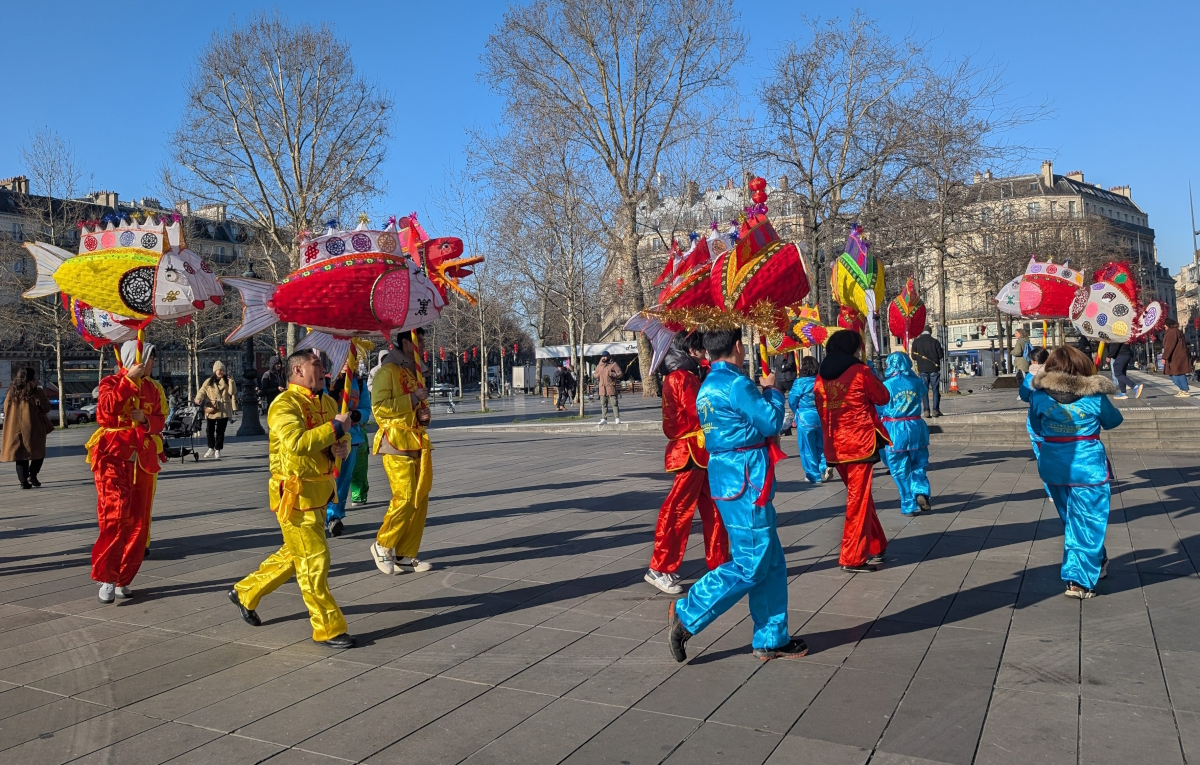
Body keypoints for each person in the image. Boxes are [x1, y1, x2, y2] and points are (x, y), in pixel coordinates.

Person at [667, 328, 808, 663]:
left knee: (771, 562)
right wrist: (772, 390)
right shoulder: (736, 384)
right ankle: (689, 611)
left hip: (730, 477)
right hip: (746, 481)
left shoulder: (708, 384)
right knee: (751, 565)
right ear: (738, 346)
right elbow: (771, 421)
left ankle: (772, 637)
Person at [229, 349, 355, 647]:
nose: (323, 370)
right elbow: (296, 442)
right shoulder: (283, 404)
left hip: (320, 492)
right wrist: (337, 427)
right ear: (297, 370)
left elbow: (340, 437)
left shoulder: (328, 401)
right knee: (314, 560)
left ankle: (246, 591)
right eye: (317, 364)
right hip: (295, 496)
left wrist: (342, 445)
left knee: (296, 554)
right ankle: (327, 627)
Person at [1026, 346, 1123, 598]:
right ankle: (1078, 579)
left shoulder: (1039, 397)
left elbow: (1036, 426)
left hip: (1053, 465)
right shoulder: (1093, 397)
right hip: (1087, 466)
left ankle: (1096, 559)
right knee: (1087, 521)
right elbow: (1114, 421)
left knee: (1073, 520)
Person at [645, 332, 730, 595]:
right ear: (692, 351)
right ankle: (660, 566)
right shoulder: (682, 378)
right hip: (691, 451)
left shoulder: (684, 376)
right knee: (679, 510)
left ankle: (719, 562)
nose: (706, 353)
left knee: (714, 509)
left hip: (697, 451)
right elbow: (700, 413)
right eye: (702, 349)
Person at [86, 342, 166, 603]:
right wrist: (128, 381)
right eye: (149, 358)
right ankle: (107, 577)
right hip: (113, 458)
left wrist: (145, 420)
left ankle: (123, 577)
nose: (152, 363)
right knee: (116, 517)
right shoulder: (110, 382)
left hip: (142, 459)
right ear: (135, 359)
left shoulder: (153, 389)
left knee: (140, 524)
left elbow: (159, 420)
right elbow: (105, 411)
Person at [815, 330, 891, 573]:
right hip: (859, 444)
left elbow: (822, 409)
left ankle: (876, 544)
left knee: (860, 497)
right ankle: (852, 557)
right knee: (858, 500)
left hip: (835, 446)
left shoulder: (820, 378)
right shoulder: (860, 372)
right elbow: (883, 397)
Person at [370, 329, 434, 575]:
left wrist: (422, 415)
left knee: (419, 498)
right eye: (420, 340)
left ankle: (406, 554)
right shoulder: (386, 372)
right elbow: (379, 409)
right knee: (405, 496)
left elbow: (416, 409)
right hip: (395, 441)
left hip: (416, 439)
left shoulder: (413, 372)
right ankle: (383, 543)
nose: (423, 345)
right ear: (406, 342)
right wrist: (412, 400)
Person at [877, 352, 931, 516]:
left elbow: (879, 407)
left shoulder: (886, 385)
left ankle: (908, 503)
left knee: (899, 469)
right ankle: (920, 490)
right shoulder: (917, 382)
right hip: (916, 427)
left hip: (895, 430)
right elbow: (922, 393)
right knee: (919, 464)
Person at [325, 370, 371, 536]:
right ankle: (326, 513)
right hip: (328, 435)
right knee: (331, 477)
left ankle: (335, 515)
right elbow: (321, 404)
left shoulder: (359, 383)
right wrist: (333, 393)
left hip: (352, 437)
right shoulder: (325, 380)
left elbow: (366, 409)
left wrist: (356, 415)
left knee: (344, 479)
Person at [1, 367, 52, 489]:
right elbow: (46, 408)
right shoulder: (36, 391)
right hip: (34, 427)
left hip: (14, 428)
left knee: (20, 455)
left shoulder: (11, 392)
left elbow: (5, 409)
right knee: (38, 452)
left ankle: (23, 482)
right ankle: (32, 475)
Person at [787, 356, 833, 483]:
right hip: (821, 416)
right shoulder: (822, 380)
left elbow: (792, 400)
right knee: (821, 445)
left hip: (805, 418)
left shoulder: (799, 383)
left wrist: (796, 410)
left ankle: (813, 474)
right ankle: (824, 465)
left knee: (807, 447)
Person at [196, 361, 237, 458]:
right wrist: (198, 398)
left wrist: (232, 382)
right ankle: (211, 448)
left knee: (220, 431)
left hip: (224, 409)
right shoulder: (208, 381)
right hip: (212, 408)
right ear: (215, 371)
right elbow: (202, 391)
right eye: (219, 370)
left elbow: (232, 392)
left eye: (223, 370)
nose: (221, 372)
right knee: (209, 430)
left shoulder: (227, 380)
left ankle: (218, 449)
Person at [910, 327, 943, 417]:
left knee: (924, 390)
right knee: (935, 390)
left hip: (922, 369)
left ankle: (926, 410)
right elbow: (941, 355)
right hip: (934, 369)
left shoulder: (916, 342)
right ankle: (935, 410)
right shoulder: (935, 342)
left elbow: (913, 357)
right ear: (930, 332)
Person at [1162, 318, 1193, 397]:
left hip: (1176, 357)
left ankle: (1184, 390)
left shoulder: (1172, 332)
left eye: (1164, 325)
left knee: (1178, 373)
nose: (1164, 326)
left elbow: (1169, 346)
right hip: (1175, 356)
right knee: (1174, 374)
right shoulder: (1174, 331)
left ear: (1168, 324)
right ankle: (1182, 389)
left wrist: (1164, 357)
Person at [596, 351, 623, 425]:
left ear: (608, 356)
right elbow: (595, 374)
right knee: (603, 404)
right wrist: (598, 375)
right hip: (602, 388)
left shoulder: (613, 364)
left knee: (614, 403)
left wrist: (613, 374)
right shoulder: (599, 365)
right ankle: (604, 418)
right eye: (602, 356)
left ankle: (617, 418)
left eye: (605, 356)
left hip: (610, 387)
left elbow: (620, 373)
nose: (604, 358)